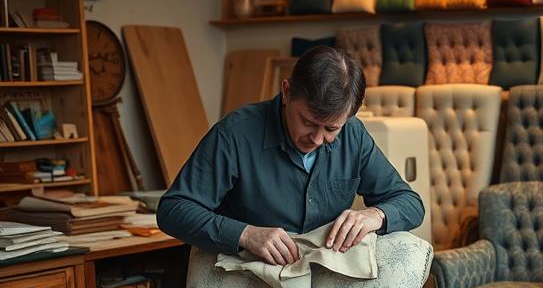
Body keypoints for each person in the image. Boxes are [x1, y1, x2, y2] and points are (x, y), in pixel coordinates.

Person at [157, 46, 424, 264]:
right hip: (245, 284)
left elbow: (410, 203)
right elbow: (173, 210)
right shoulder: (235, 134)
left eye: (332, 128)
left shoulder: (353, 135)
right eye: (308, 122)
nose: (318, 139)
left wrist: (375, 215)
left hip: (321, 285)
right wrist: (245, 234)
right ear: (286, 92)